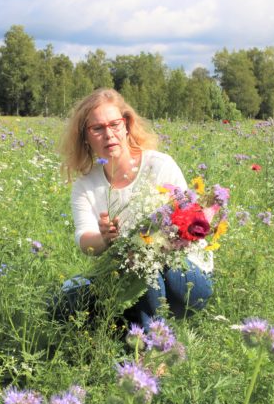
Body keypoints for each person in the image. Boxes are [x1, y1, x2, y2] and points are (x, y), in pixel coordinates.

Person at [55, 88, 213, 329]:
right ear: (85, 137)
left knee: (141, 257)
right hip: (127, 276)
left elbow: (188, 222)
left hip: (186, 278)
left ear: (126, 125)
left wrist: (150, 246)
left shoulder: (159, 166)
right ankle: (127, 331)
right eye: (97, 128)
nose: (108, 134)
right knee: (64, 300)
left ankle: (153, 348)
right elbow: (84, 240)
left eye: (114, 124)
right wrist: (104, 239)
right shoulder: (85, 185)